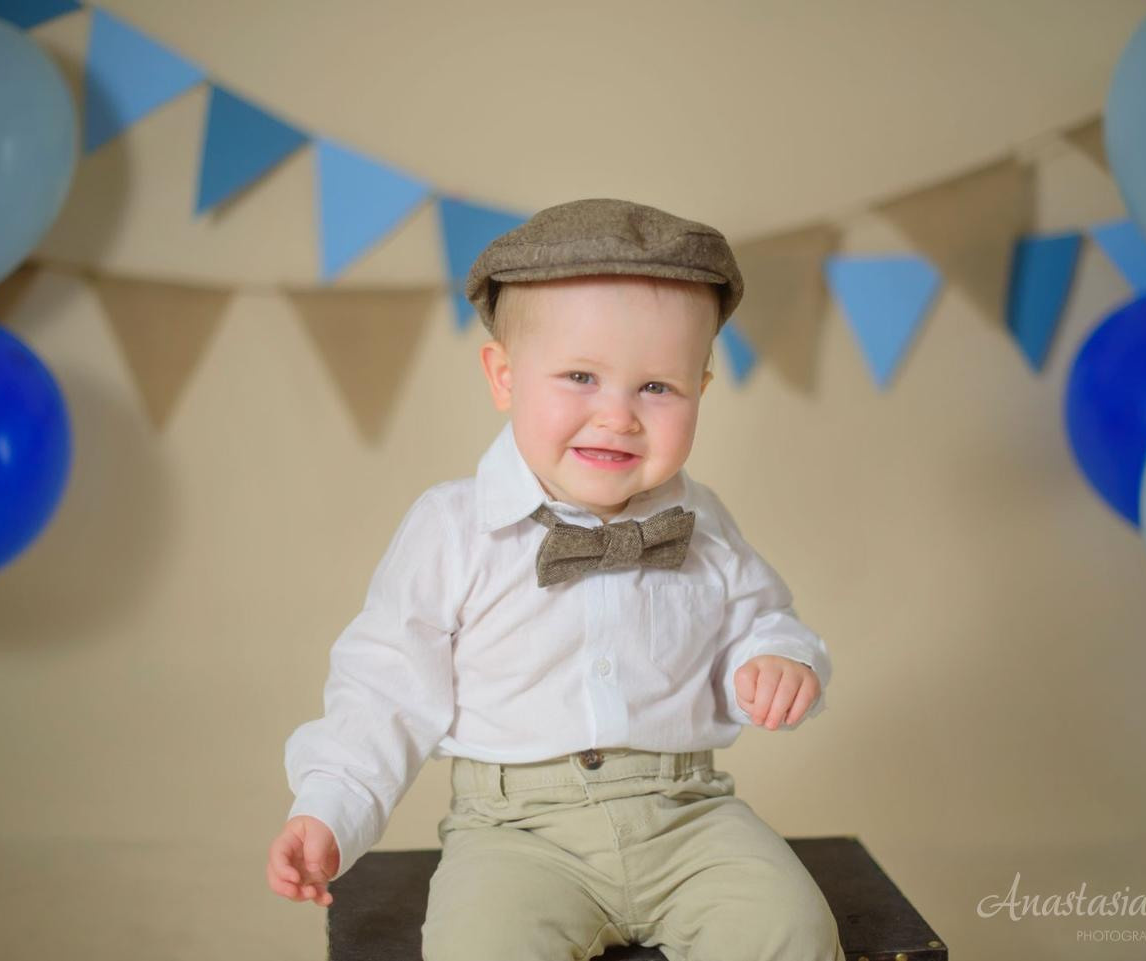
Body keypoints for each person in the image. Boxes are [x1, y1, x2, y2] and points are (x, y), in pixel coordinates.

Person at [266, 198, 841, 960]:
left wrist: (778, 659)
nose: (618, 416)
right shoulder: (452, 528)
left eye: (657, 388)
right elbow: (384, 689)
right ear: (504, 376)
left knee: (790, 928)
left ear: (701, 386)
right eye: (580, 376)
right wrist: (329, 809)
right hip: (515, 833)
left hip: (689, 815)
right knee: (481, 948)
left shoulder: (702, 521)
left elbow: (763, 617)